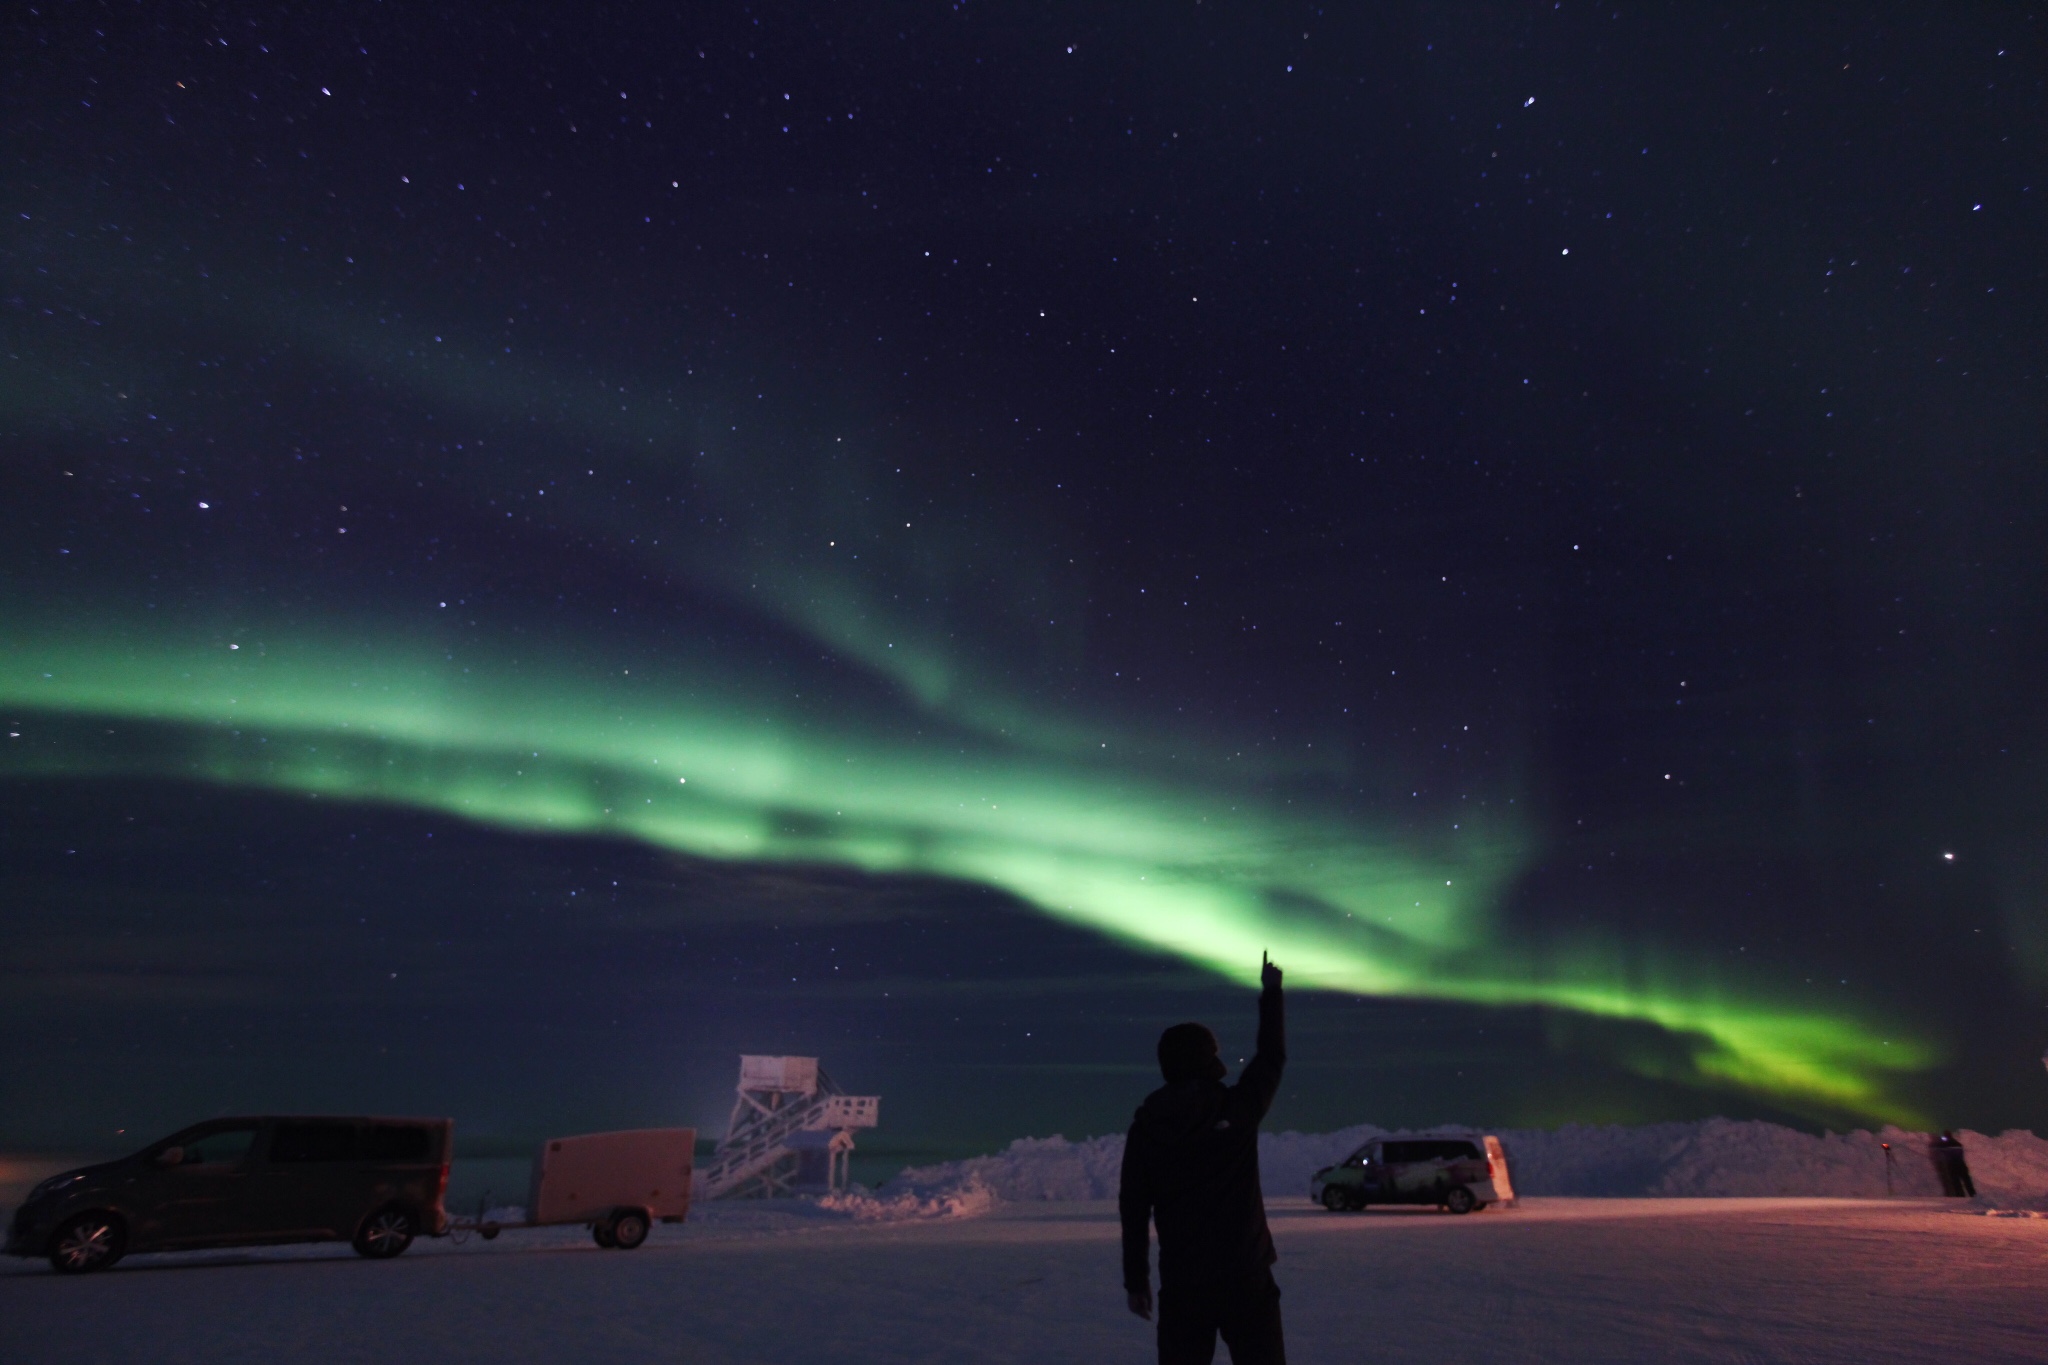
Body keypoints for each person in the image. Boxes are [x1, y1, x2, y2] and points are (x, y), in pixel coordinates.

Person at [1120, 952, 1287, 1365]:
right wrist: (1271, 995)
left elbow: (1134, 1207)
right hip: (1245, 1275)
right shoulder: (1236, 1109)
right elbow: (1271, 1058)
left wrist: (1136, 1280)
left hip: (1183, 1282)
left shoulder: (1147, 1125)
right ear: (1207, 1059)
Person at [1932, 1130, 1976, 1198]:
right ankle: (1973, 1195)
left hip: (1952, 1165)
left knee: (1956, 1182)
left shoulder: (1945, 1144)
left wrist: (1940, 1141)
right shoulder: (1957, 1143)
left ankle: (1961, 1196)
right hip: (1962, 1164)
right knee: (1967, 1181)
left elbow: (1938, 1148)